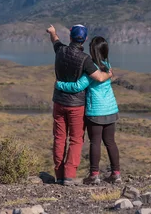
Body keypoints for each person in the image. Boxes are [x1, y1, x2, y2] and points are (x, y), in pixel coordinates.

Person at [47, 24, 112, 186]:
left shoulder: (60, 50)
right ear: (85, 39)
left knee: (59, 137)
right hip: (76, 105)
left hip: (59, 102)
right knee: (76, 139)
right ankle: (69, 176)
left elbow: (55, 40)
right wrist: (109, 73)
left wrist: (53, 32)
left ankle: (59, 174)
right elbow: (99, 78)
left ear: (70, 37)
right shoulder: (86, 60)